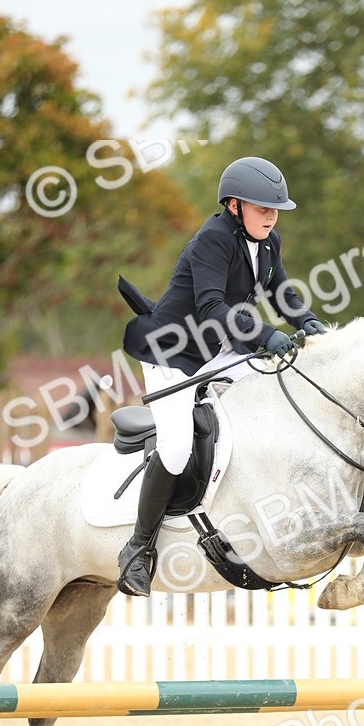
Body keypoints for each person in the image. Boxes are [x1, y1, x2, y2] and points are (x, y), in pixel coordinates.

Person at [117, 156, 327, 596]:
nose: (271, 216)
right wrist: (266, 334)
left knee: (274, 396)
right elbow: (212, 307)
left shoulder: (269, 243)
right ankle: (137, 550)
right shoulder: (213, 240)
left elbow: (281, 292)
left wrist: (306, 320)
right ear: (234, 205)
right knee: (176, 447)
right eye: (262, 208)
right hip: (173, 352)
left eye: (275, 209)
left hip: (219, 349)